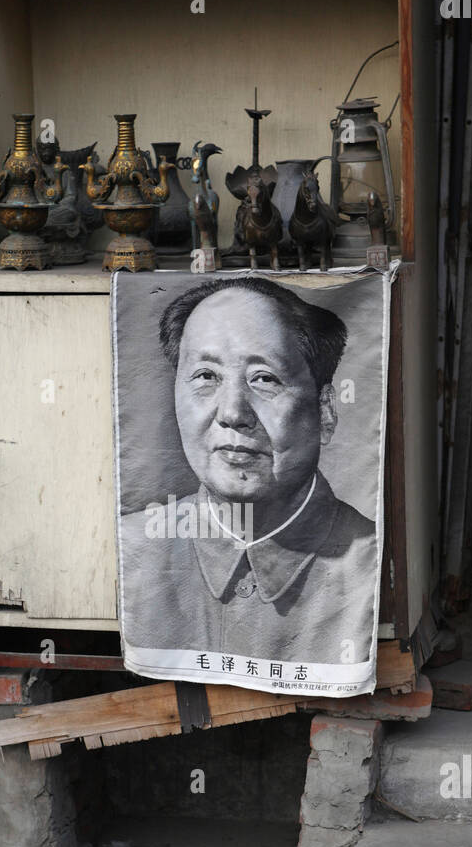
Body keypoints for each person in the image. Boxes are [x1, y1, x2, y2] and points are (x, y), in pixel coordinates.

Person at [119, 276, 377, 667]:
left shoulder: (367, 561)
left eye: (264, 379)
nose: (233, 413)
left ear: (324, 412)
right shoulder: (135, 548)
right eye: (206, 376)